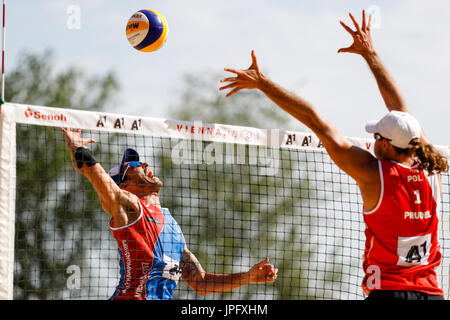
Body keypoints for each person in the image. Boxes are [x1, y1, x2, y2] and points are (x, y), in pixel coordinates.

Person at [220, 10, 448, 300]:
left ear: (388, 146)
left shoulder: (373, 174)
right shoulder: (431, 169)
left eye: (376, 136)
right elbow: (400, 108)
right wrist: (371, 53)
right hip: (432, 293)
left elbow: (316, 120)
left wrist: (263, 83)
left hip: (389, 292)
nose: (372, 139)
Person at [61, 127, 278, 300]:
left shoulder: (172, 227)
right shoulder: (130, 207)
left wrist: (248, 277)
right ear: (125, 185)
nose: (145, 163)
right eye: (135, 163)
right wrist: (76, 147)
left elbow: (200, 283)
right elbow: (95, 176)